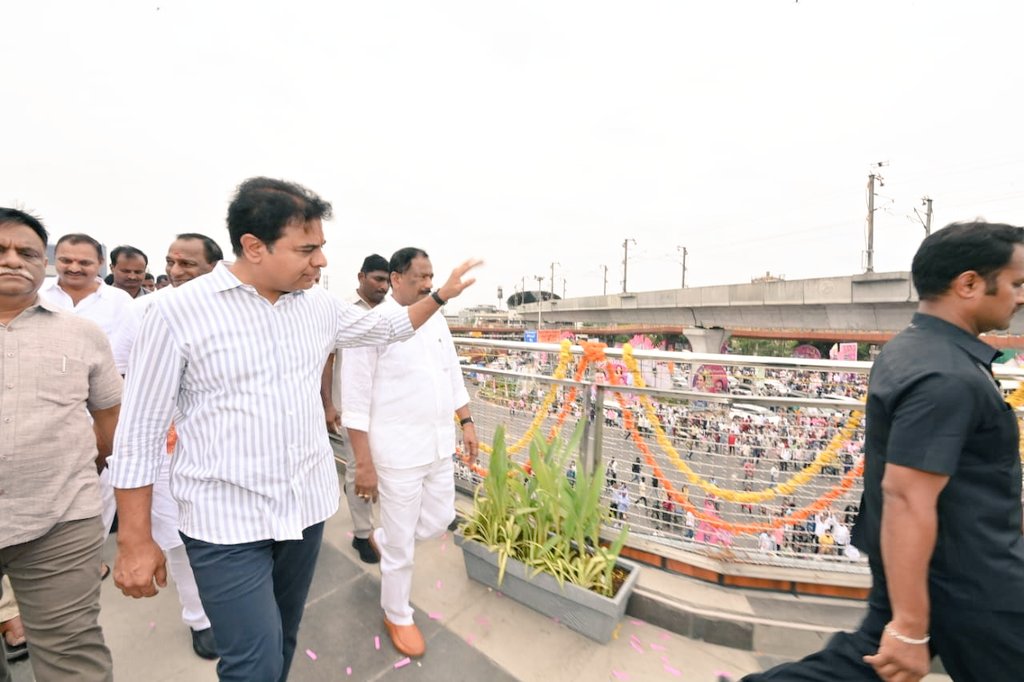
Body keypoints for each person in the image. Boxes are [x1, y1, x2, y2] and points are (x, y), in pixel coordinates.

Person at [108, 178, 479, 682]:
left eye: (321, 247)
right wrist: (134, 541)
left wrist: (441, 295)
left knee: (282, 636)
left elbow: (389, 327)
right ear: (254, 247)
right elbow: (139, 434)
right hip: (224, 522)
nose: (321, 261)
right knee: (252, 662)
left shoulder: (318, 308)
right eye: (308, 249)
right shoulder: (176, 313)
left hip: (303, 512)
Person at [744, 221, 1024, 682]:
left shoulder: (911, 350)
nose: (1020, 296)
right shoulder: (946, 375)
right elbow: (906, 495)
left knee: (861, 665)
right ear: (969, 283)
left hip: (940, 570)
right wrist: (911, 627)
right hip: (973, 578)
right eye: (1015, 283)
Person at [0, 208, 122, 682]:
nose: (13, 261)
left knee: (72, 653)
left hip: (58, 520)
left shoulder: (82, 333)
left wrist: (86, 468)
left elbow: (108, 417)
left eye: (27, 252)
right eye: (1, 251)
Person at [341, 247, 478, 659]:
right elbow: (356, 400)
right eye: (419, 276)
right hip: (396, 453)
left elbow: (451, 374)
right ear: (395, 279)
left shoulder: (437, 323)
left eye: (431, 275)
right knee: (402, 548)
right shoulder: (372, 324)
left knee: (441, 517)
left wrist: (467, 422)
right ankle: (396, 611)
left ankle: (384, 537)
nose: (428, 283)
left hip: (437, 445)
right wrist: (363, 463)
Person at [114, 232, 225, 660]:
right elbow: (122, 377)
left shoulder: (232, 313)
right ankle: (198, 617)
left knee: (215, 532)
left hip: (216, 448)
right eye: (171, 263)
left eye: (188, 265)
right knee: (177, 537)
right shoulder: (145, 310)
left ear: (214, 268)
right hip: (163, 449)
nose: (176, 272)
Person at [321, 254, 391, 564]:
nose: (383, 286)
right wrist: (328, 404)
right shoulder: (342, 311)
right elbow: (327, 360)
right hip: (351, 407)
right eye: (377, 279)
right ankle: (363, 534)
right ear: (361, 276)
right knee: (357, 467)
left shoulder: (392, 312)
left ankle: (387, 530)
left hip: (387, 407)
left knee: (386, 466)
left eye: (387, 280)